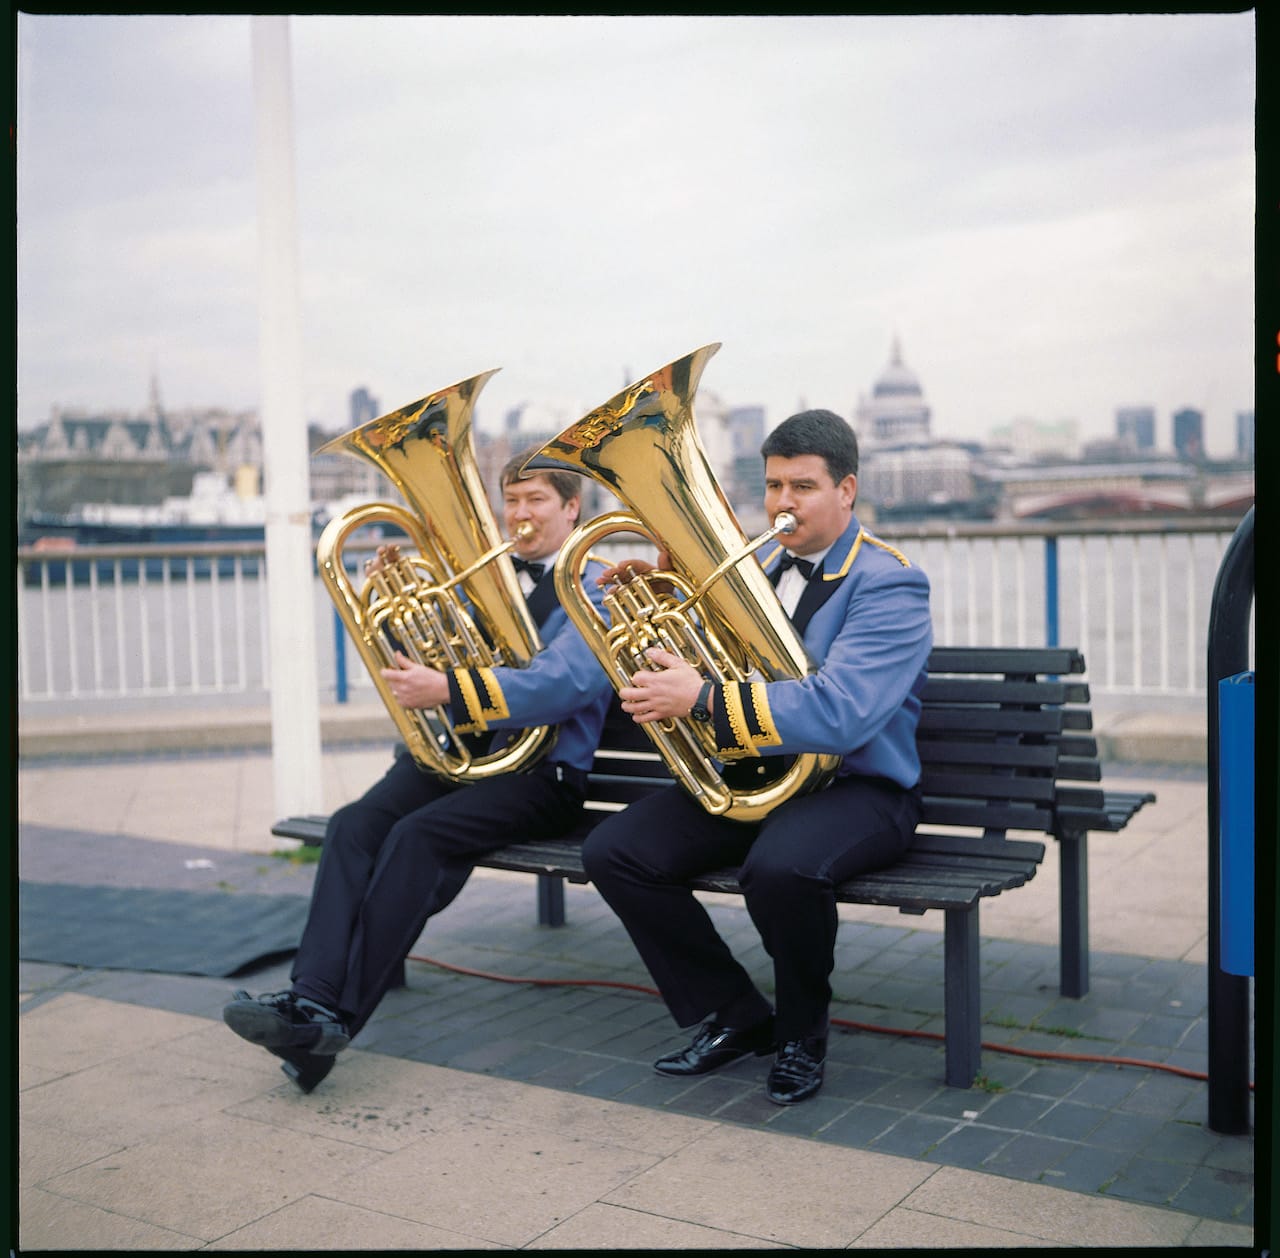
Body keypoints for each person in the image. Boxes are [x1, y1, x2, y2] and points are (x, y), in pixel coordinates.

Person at [223, 451, 613, 1092]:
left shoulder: (596, 584)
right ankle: (311, 997)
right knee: (353, 825)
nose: (519, 514)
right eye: (510, 500)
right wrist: (399, 602)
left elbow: (566, 684)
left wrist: (452, 687)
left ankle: (332, 1023)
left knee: (416, 838)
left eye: (536, 500)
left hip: (542, 776)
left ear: (572, 508)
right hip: (460, 757)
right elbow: (424, 661)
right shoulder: (476, 577)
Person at [582, 408, 932, 1105]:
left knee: (780, 867)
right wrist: (651, 598)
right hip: (766, 773)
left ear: (847, 491)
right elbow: (711, 662)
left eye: (802, 487)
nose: (781, 504)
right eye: (773, 486)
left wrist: (704, 701)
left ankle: (802, 1033)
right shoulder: (756, 565)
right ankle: (737, 1013)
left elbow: (843, 713)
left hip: (862, 790)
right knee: (615, 851)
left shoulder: (890, 583)